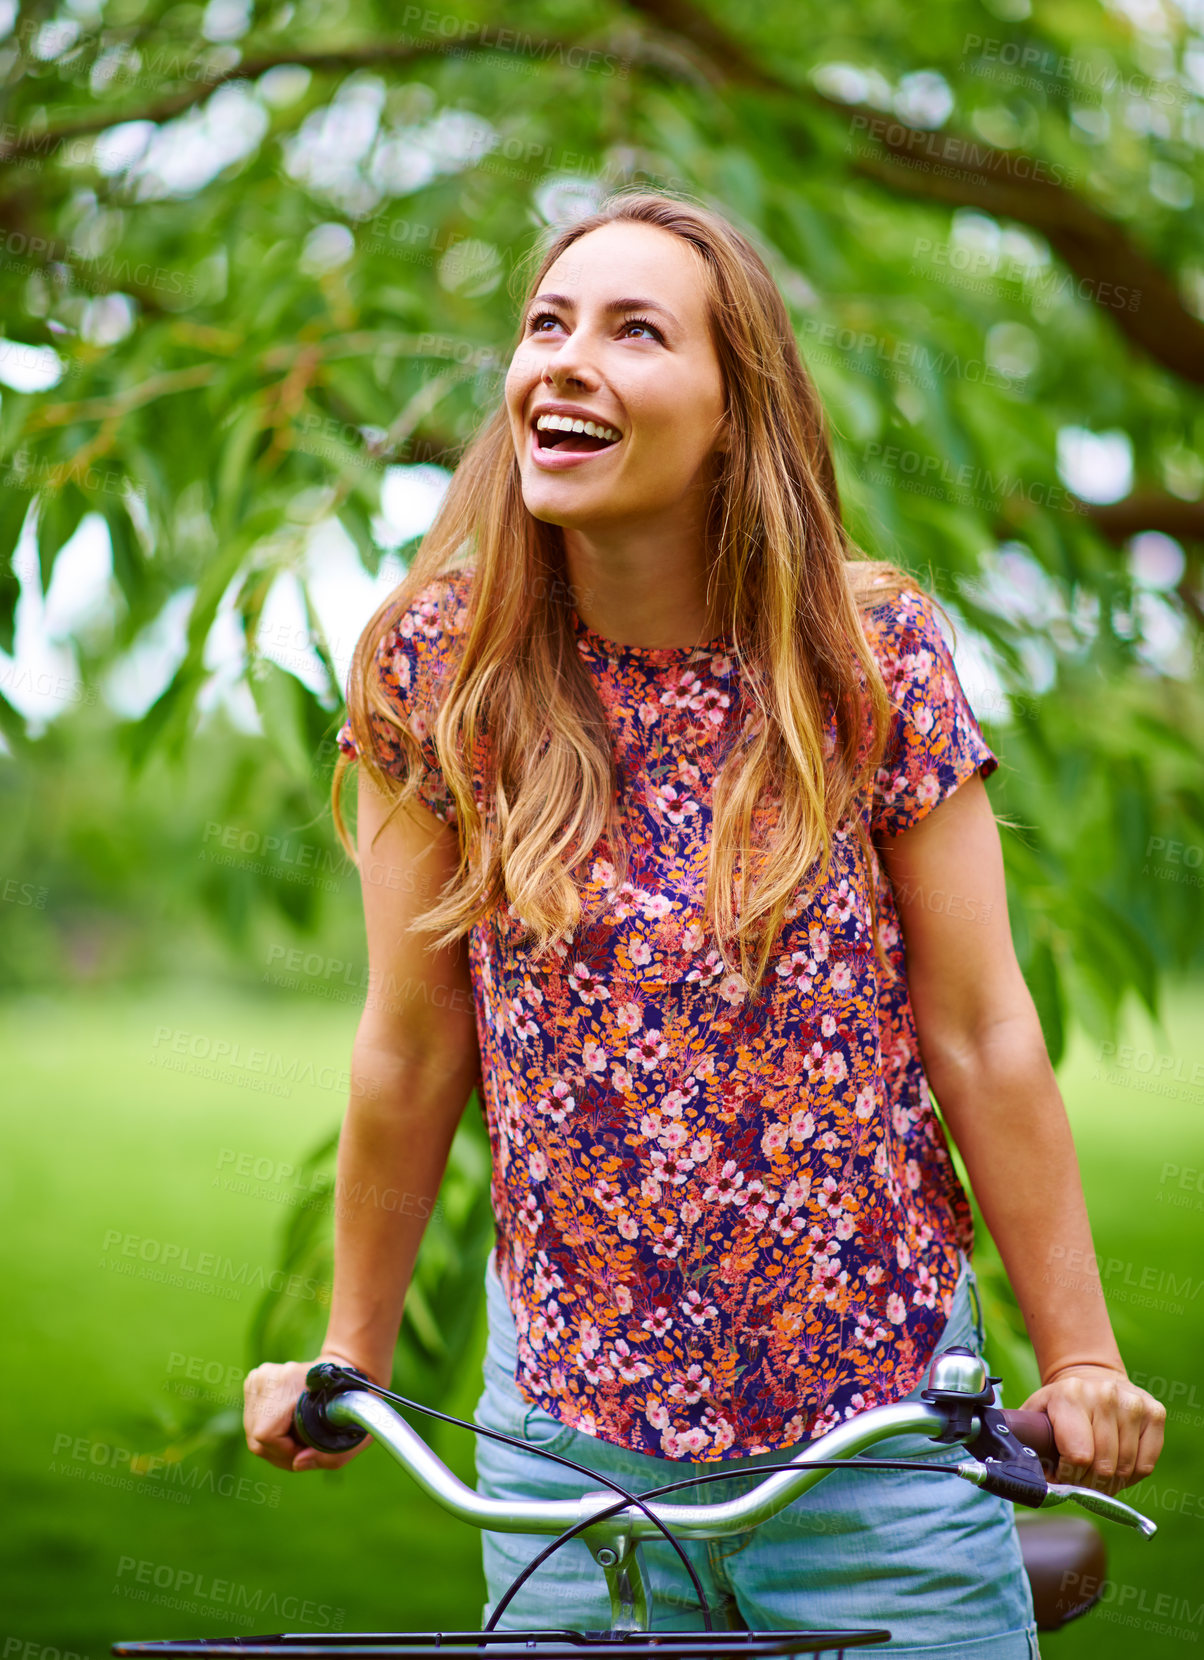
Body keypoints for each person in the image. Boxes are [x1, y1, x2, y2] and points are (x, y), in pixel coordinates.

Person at [243, 190, 1165, 1657]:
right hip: (564, 1453)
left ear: (737, 411)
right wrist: (350, 1354)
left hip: (872, 1433)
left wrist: (1084, 1361)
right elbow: (413, 1051)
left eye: (633, 331)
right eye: (547, 324)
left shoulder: (870, 655)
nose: (565, 359)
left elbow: (983, 1030)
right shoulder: (438, 668)